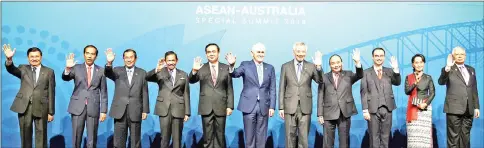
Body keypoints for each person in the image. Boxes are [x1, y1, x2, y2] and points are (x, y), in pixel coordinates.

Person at [3, 44, 55, 148]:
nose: (34, 59)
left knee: (42, 135)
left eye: (37, 56)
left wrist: (51, 111)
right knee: (25, 135)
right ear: (28, 58)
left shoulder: (49, 71)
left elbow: (51, 92)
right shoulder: (23, 68)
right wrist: (9, 59)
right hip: (24, 106)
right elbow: (11, 69)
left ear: (41, 57)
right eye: (32, 56)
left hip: (42, 107)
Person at [226, 42, 276, 148]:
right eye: (258, 52)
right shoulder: (245, 65)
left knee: (262, 136)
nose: (261, 54)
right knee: (249, 137)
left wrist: (272, 106)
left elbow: (272, 89)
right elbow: (234, 74)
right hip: (248, 105)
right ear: (252, 53)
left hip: (264, 105)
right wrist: (231, 65)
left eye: (262, 52)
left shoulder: (270, 68)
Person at [189, 43, 234, 148]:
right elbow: (191, 80)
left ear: (218, 53)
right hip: (206, 106)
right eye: (209, 52)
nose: (211, 54)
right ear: (206, 54)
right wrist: (194, 71)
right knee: (207, 137)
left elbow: (229, 88)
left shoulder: (226, 68)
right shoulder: (201, 67)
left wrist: (230, 106)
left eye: (214, 51)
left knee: (220, 136)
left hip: (221, 106)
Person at [278, 42, 323, 148]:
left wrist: (319, 67)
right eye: (298, 51)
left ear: (306, 52)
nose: (301, 53)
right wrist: (281, 107)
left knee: (304, 139)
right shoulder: (285, 66)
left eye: (303, 51)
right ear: (294, 52)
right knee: (289, 138)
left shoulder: (311, 66)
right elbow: (281, 88)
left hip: (305, 107)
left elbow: (320, 81)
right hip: (289, 106)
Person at [62, 45, 108, 148]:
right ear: (84, 55)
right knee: (76, 137)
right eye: (87, 53)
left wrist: (104, 110)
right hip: (77, 106)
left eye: (92, 54)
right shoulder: (76, 68)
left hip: (93, 107)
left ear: (96, 56)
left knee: (92, 139)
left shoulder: (101, 70)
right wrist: (68, 68)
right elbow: (66, 78)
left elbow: (104, 92)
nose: (89, 56)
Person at [317, 49, 363, 148]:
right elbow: (320, 95)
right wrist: (320, 114)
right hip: (328, 114)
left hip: (344, 113)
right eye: (333, 63)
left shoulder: (349, 74)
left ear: (341, 63)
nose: (336, 65)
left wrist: (357, 63)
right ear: (329, 65)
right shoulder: (324, 77)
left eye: (338, 62)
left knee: (344, 143)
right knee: (327, 144)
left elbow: (360, 75)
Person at [104, 48, 149, 148]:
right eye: (126, 57)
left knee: (135, 142)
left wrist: (145, 110)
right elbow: (108, 73)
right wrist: (109, 62)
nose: (129, 60)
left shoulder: (142, 73)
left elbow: (144, 92)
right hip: (120, 111)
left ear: (135, 59)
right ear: (123, 59)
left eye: (131, 57)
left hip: (136, 110)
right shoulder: (117, 70)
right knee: (118, 141)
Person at [146, 51, 190, 148]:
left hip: (179, 109)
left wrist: (187, 112)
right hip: (164, 108)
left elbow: (186, 93)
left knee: (177, 138)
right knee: (164, 137)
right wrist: (157, 68)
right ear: (165, 61)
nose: (170, 62)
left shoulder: (183, 74)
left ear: (177, 61)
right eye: (168, 60)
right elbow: (146, 77)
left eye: (173, 60)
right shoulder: (160, 72)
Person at [438, 46, 480, 148]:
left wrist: (476, 107)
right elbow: (441, 81)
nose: (460, 56)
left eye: (462, 54)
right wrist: (447, 68)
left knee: (466, 137)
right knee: (453, 138)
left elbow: (474, 89)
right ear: (453, 56)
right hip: (454, 108)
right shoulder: (448, 69)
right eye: (457, 54)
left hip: (469, 108)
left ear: (465, 56)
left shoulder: (471, 69)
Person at [360, 47, 401, 148]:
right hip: (372, 109)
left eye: (381, 56)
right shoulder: (366, 72)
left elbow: (397, 82)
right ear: (372, 57)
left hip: (388, 107)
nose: (379, 58)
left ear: (384, 57)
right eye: (377, 56)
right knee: (374, 137)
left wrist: (396, 70)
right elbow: (363, 92)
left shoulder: (389, 71)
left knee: (385, 137)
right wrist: (365, 110)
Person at [404, 54, 435, 148]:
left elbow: (433, 93)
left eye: (421, 62)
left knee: (424, 136)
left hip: (424, 109)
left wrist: (425, 104)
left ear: (424, 63)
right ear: (413, 64)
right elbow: (407, 91)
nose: (419, 64)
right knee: (414, 136)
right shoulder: (408, 77)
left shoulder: (428, 77)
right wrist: (415, 83)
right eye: (416, 62)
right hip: (412, 108)